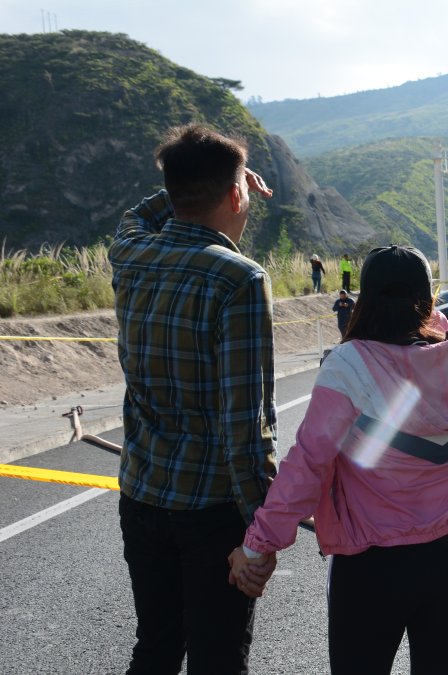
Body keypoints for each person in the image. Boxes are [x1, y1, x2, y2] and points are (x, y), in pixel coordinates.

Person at [228, 245, 448, 675]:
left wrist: (257, 545)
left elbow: (308, 466)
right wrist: (436, 321)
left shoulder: (349, 366)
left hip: (374, 567)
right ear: (428, 300)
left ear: (364, 301)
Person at [109, 123, 278, 675]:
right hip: (210, 513)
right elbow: (244, 426)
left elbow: (137, 216)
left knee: (155, 648)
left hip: (141, 496)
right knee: (218, 659)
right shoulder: (239, 280)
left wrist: (182, 186)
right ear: (236, 195)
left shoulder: (131, 255)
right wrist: (261, 530)